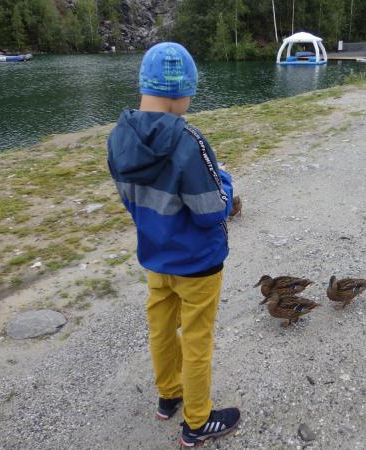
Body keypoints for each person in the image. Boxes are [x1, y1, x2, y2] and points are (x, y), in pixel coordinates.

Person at [106, 42, 240, 447]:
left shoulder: (118, 136)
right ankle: (197, 422)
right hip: (198, 264)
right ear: (181, 91)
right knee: (197, 340)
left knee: (161, 330)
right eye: (191, 94)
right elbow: (211, 210)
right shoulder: (188, 140)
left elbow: (129, 198)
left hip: (155, 258)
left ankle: (169, 396)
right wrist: (225, 178)